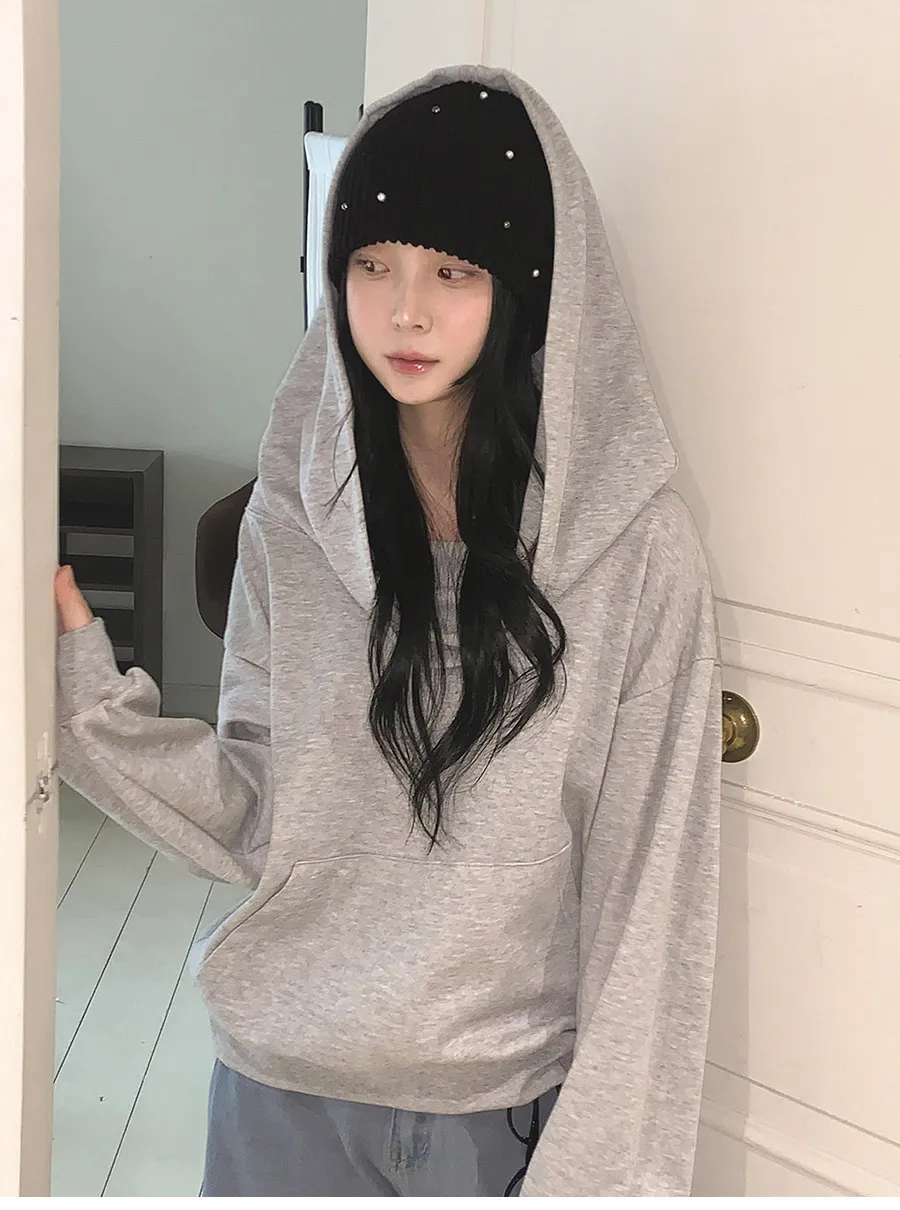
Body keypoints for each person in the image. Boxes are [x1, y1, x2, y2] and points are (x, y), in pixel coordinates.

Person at [55, 64, 722, 1198]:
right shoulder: (294, 517)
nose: (405, 311)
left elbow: (649, 900)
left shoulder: (632, 552)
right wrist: (83, 708)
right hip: (278, 1095)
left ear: (524, 285)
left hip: (497, 1114)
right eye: (372, 264)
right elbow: (267, 810)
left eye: (452, 271)